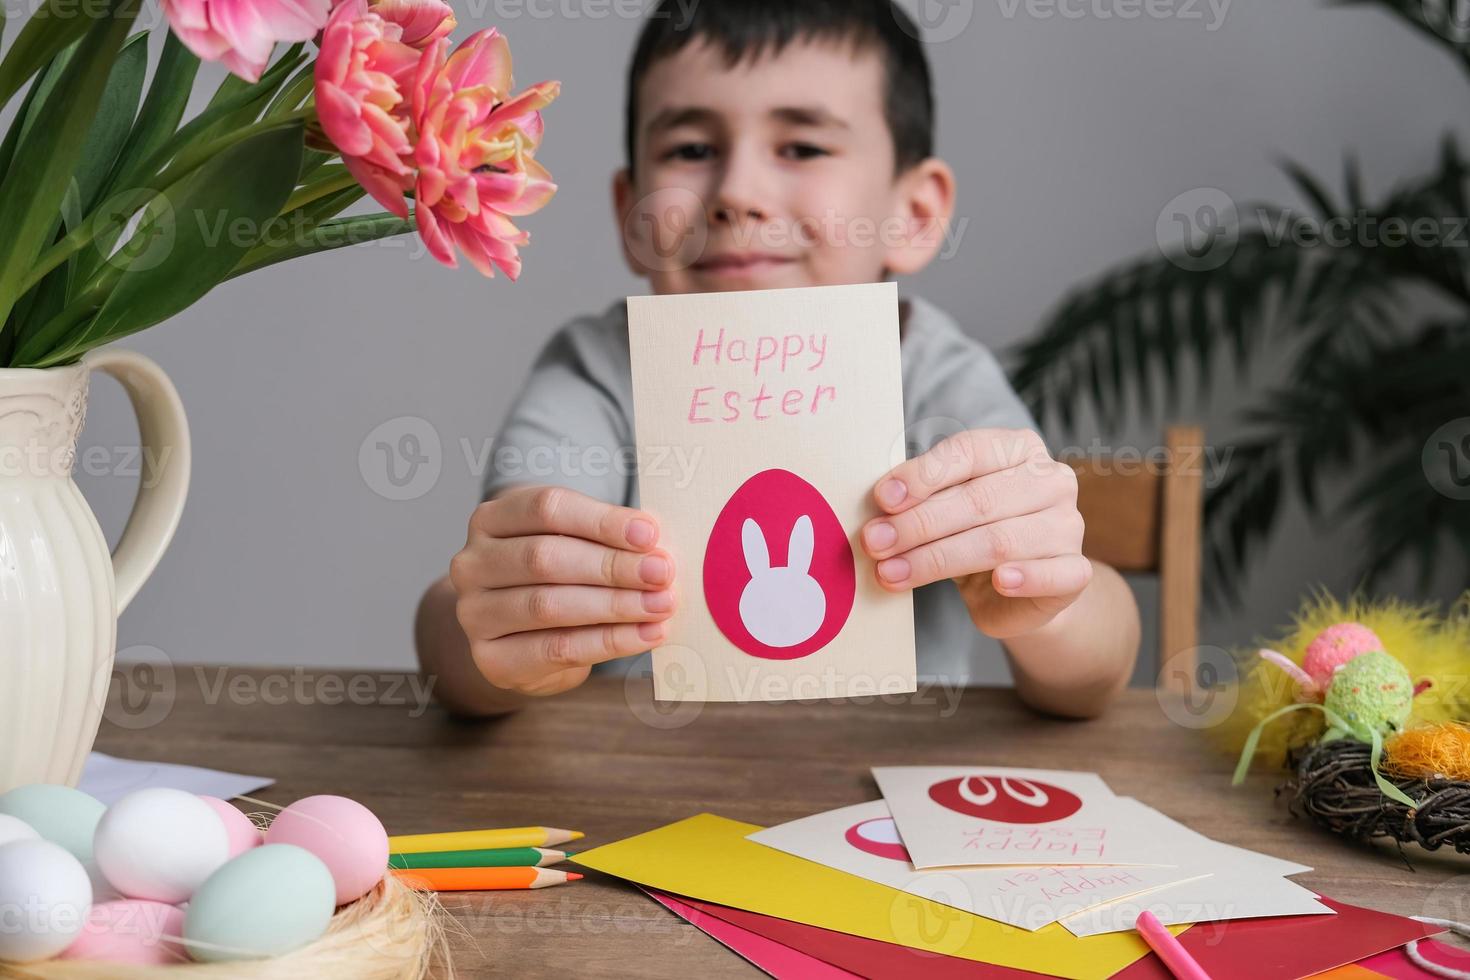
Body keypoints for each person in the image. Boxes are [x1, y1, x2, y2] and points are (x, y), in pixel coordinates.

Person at [416, 0, 1140, 719]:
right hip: (640, 806)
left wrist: (1044, 604)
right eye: (692, 150)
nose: (736, 193)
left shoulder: (939, 381)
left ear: (914, 214)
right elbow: (464, 627)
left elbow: (1092, 675)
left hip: (879, 807)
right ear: (631, 213)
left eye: (802, 148)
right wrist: (498, 637)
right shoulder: (598, 373)